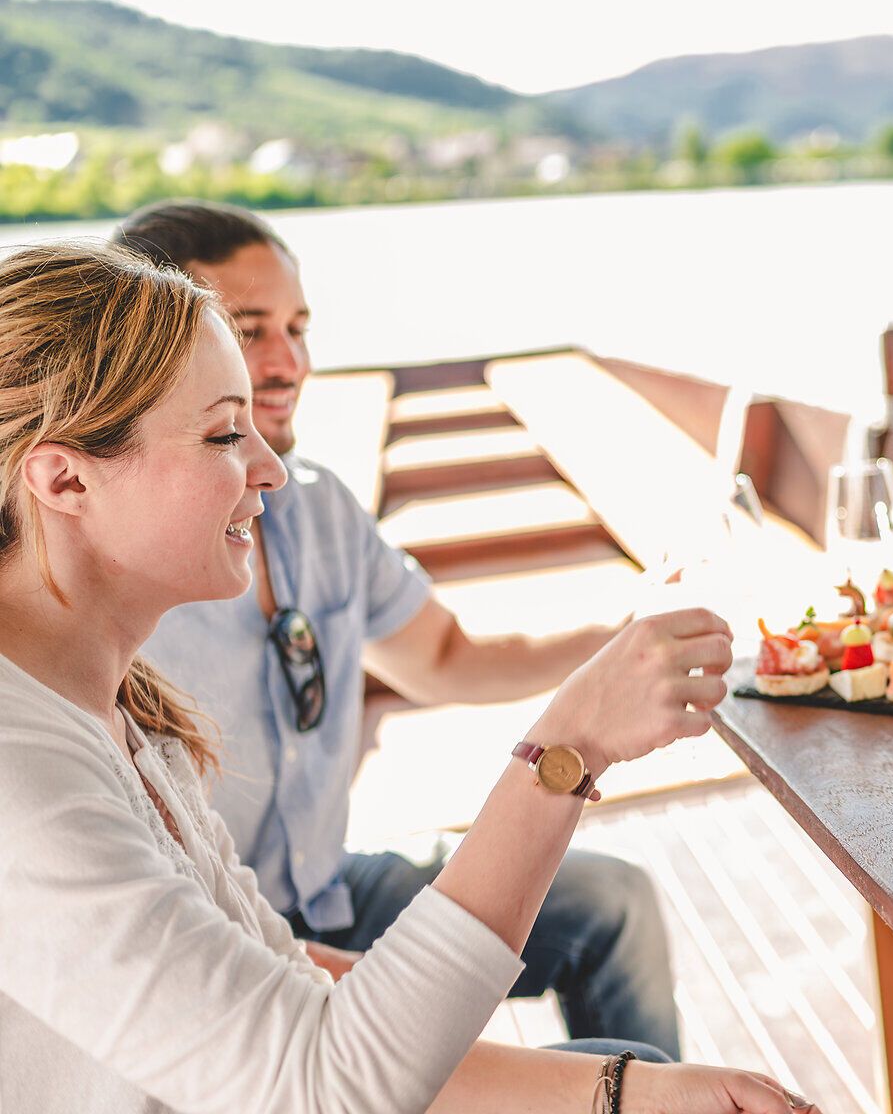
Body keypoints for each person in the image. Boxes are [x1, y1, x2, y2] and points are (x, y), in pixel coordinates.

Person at [0, 239, 810, 1112]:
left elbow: (305, 1001)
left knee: (639, 1061)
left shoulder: (125, 719)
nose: (269, 468)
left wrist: (627, 1092)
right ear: (64, 479)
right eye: (222, 434)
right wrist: (566, 748)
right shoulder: (24, 779)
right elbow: (325, 1085)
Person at [113, 200, 681, 1053]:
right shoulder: (108, 571)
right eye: (247, 330)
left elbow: (445, 655)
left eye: (298, 330)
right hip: (221, 956)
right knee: (623, 1073)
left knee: (617, 905)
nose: (287, 363)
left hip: (331, 893)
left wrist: (631, 636)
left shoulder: (318, 507)